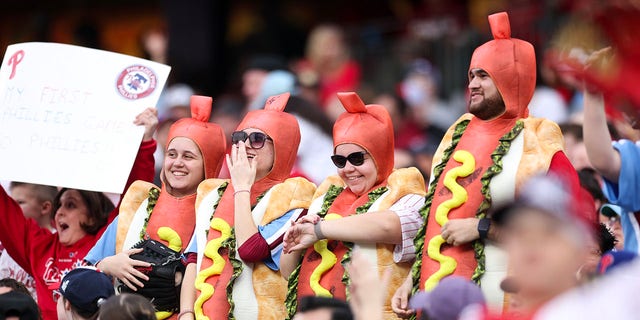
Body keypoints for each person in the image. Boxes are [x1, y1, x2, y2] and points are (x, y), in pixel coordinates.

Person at [392, 12, 584, 316]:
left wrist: (481, 228)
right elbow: (432, 221)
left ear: (512, 77)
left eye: (484, 75)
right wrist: (413, 279)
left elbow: (569, 230)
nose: (473, 84)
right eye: (471, 76)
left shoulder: (539, 142)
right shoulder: (455, 134)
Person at [0, 109, 157, 320]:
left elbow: (134, 198)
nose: (60, 212)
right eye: (59, 206)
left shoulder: (105, 241)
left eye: (71, 205)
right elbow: (5, 213)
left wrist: (145, 143)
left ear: (92, 215)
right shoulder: (40, 247)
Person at [282, 92, 426, 319]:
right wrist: (294, 243)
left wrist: (319, 230)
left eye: (358, 158)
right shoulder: (325, 196)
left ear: (380, 155)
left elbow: (391, 226)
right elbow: (288, 273)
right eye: (340, 160)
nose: (348, 168)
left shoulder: (405, 190)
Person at [85, 96, 226, 319]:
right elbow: (83, 274)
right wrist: (108, 264)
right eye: (172, 154)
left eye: (188, 156)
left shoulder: (220, 214)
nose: (177, 162)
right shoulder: (138, 208)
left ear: (208, 164)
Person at [180, 92, 316, 319]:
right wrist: (186, 313)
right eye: (240, 138)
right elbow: (194, 258)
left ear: (281, 147)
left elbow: (251, 250)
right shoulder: (213, 193)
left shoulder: (296, 195)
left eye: (258, 139)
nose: (246, 146)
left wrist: (241, 188)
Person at [0, 183, 58, 300]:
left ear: (45, 207)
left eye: (19, 203)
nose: (12, 208)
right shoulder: (7, 247)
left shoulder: (57, 247)